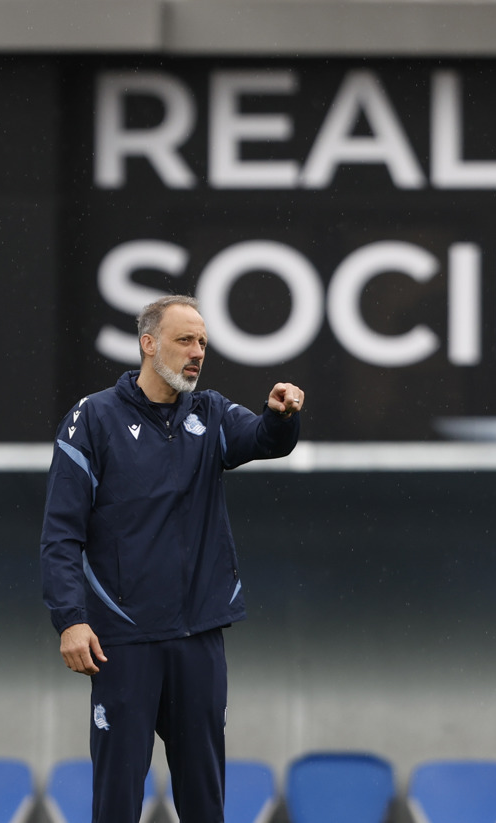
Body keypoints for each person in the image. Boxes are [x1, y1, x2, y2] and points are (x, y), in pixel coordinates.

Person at [39, 294, 304, 823]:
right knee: (117, 801)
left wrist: (279, 417)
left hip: (198, 636)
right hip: (123, 640)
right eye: (185, 340)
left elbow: (263, 440)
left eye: (203, 342)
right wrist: (70, 619)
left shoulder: (210, 412)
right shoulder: (93, 418)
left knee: (205, 802)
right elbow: (61, 534)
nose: (197, 352)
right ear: (148, 344)